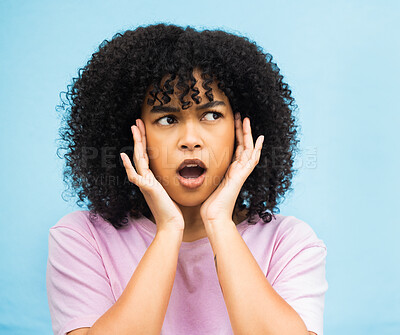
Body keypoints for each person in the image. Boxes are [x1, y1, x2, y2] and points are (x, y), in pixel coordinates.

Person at [46, 23, 328, 335]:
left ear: (242, 130)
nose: (190, 139)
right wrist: (169, 230)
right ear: (130, 133)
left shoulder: (288, 243)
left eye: (211, 115)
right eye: (167, 119)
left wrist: (219, 221)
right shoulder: (82, 238)